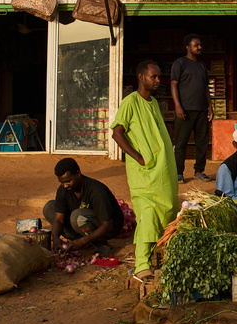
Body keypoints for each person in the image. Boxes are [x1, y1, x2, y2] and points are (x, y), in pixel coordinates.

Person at [112, 59, 178, 280]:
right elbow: (117, 133)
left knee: (166, 213)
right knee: (147, 215)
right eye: (154, 76)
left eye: (159, 77)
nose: (158, 80)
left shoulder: (153, 102)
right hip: (144, 174)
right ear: (141, 77)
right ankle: (141, 264)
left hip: (162, 173)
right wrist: (137, 156)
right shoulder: (130, 102)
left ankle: (157, 258)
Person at [43, 157, 124, 256]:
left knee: (77, 216)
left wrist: (82, 241)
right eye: (62, 182)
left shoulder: (96, 191)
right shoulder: (63, 190)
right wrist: (55, 237)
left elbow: (107, 225)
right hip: (81, 222)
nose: (65, 186)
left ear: (78, 173)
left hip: (107, 228)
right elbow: (59, 220)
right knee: (49, 208)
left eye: (68, 181)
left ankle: (102, 244)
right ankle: (81, 240)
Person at [171, 33, 213, 184]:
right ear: (188, 47)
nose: (199, 47)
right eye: (196, 45)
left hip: (202, 110)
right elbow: (174, 84)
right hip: (185, 110)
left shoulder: (202, 65)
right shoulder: (179, 63)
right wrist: (178, 106)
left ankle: (199, 171)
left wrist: (210, 107)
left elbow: (206, 88)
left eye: (200, 45)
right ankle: (178, 173)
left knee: (202, 143)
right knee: (180, 142)